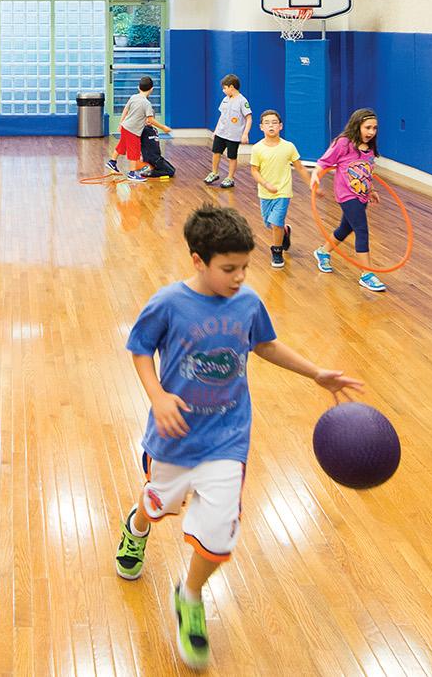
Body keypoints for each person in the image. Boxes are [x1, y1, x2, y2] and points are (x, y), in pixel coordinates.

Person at [110, 205, 363, 670]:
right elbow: (140, 349)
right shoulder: (168, 303)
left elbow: (264, 344)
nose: (239, 276)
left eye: (245, 267)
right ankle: (137, 527)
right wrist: (158, 395)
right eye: (229, 268)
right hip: (174, 438)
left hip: (228, 439)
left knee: (219, 536)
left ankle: (189, 596)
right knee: (160, 505)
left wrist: (316, 374)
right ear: (198, 260)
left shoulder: (247, 303)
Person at [311, 109, 387, 293]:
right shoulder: (344, 143)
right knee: (362, 229)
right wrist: (315, 174)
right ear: (357, 125)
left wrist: (372, 190)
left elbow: (367, 172)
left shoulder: (369, 148)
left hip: (362, 196)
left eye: (375, 128)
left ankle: (323, 251)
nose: (371, 132)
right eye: (367, 127)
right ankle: (366, 274)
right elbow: (324, 161)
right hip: (346, 195)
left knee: (346, 228)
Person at [249, 110, 305, 269]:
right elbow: (254, 170)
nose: (271, 125)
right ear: (261, 127)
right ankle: (285, 231)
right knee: (269, 223)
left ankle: (277, 251)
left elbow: (300, 167)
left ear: (280, 126)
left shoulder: (289, 147)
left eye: (274, 122)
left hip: (283, 191)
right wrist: (265, 184)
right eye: (267, 123)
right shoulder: (257, 148)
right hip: (265, 192)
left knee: (275, 222)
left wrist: (312, 184)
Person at [109, 76, 171, 182]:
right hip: (132, 130)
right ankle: (132, 173)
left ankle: (112, 162)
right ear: (152, 89)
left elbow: (126, 109)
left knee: (122, 145)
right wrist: (163, 127)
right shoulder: (147, 103)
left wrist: (121, 123)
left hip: (125, 126)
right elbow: (150, 120)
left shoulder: (133, 97)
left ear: (138, 88)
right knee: (134, 151)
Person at [203, 74, 252, 189]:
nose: (223, 90)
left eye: (225, 88)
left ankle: (230, 177)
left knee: (232, 157)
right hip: (221, 132)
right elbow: (222, 116)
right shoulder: (225, 99)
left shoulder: (242, 101)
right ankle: (214, 172)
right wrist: (216, 130)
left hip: (233, 135)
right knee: (216, 152)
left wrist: (245, 134)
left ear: (231, 87)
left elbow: (249, 118)